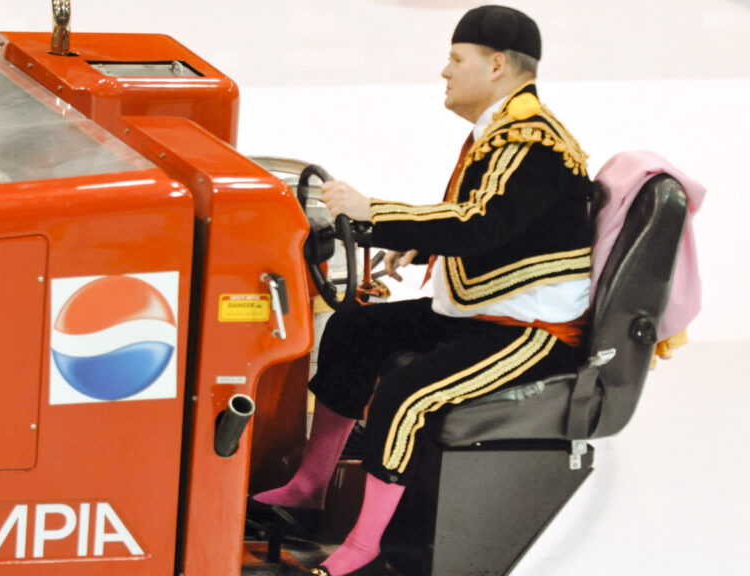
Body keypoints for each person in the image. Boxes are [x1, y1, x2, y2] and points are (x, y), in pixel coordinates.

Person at [250, 6, 599, 576]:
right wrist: (424, 243)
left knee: (404, 398)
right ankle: (310, 490)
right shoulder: (502, 130)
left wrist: (375, 213)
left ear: (496, 65)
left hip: (529, 328)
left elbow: (482, 225)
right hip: (481, 306)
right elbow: (500, 221)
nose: (445, 71)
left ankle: (365, 550)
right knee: (356, 327)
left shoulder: (530, 140)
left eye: (456, 60)